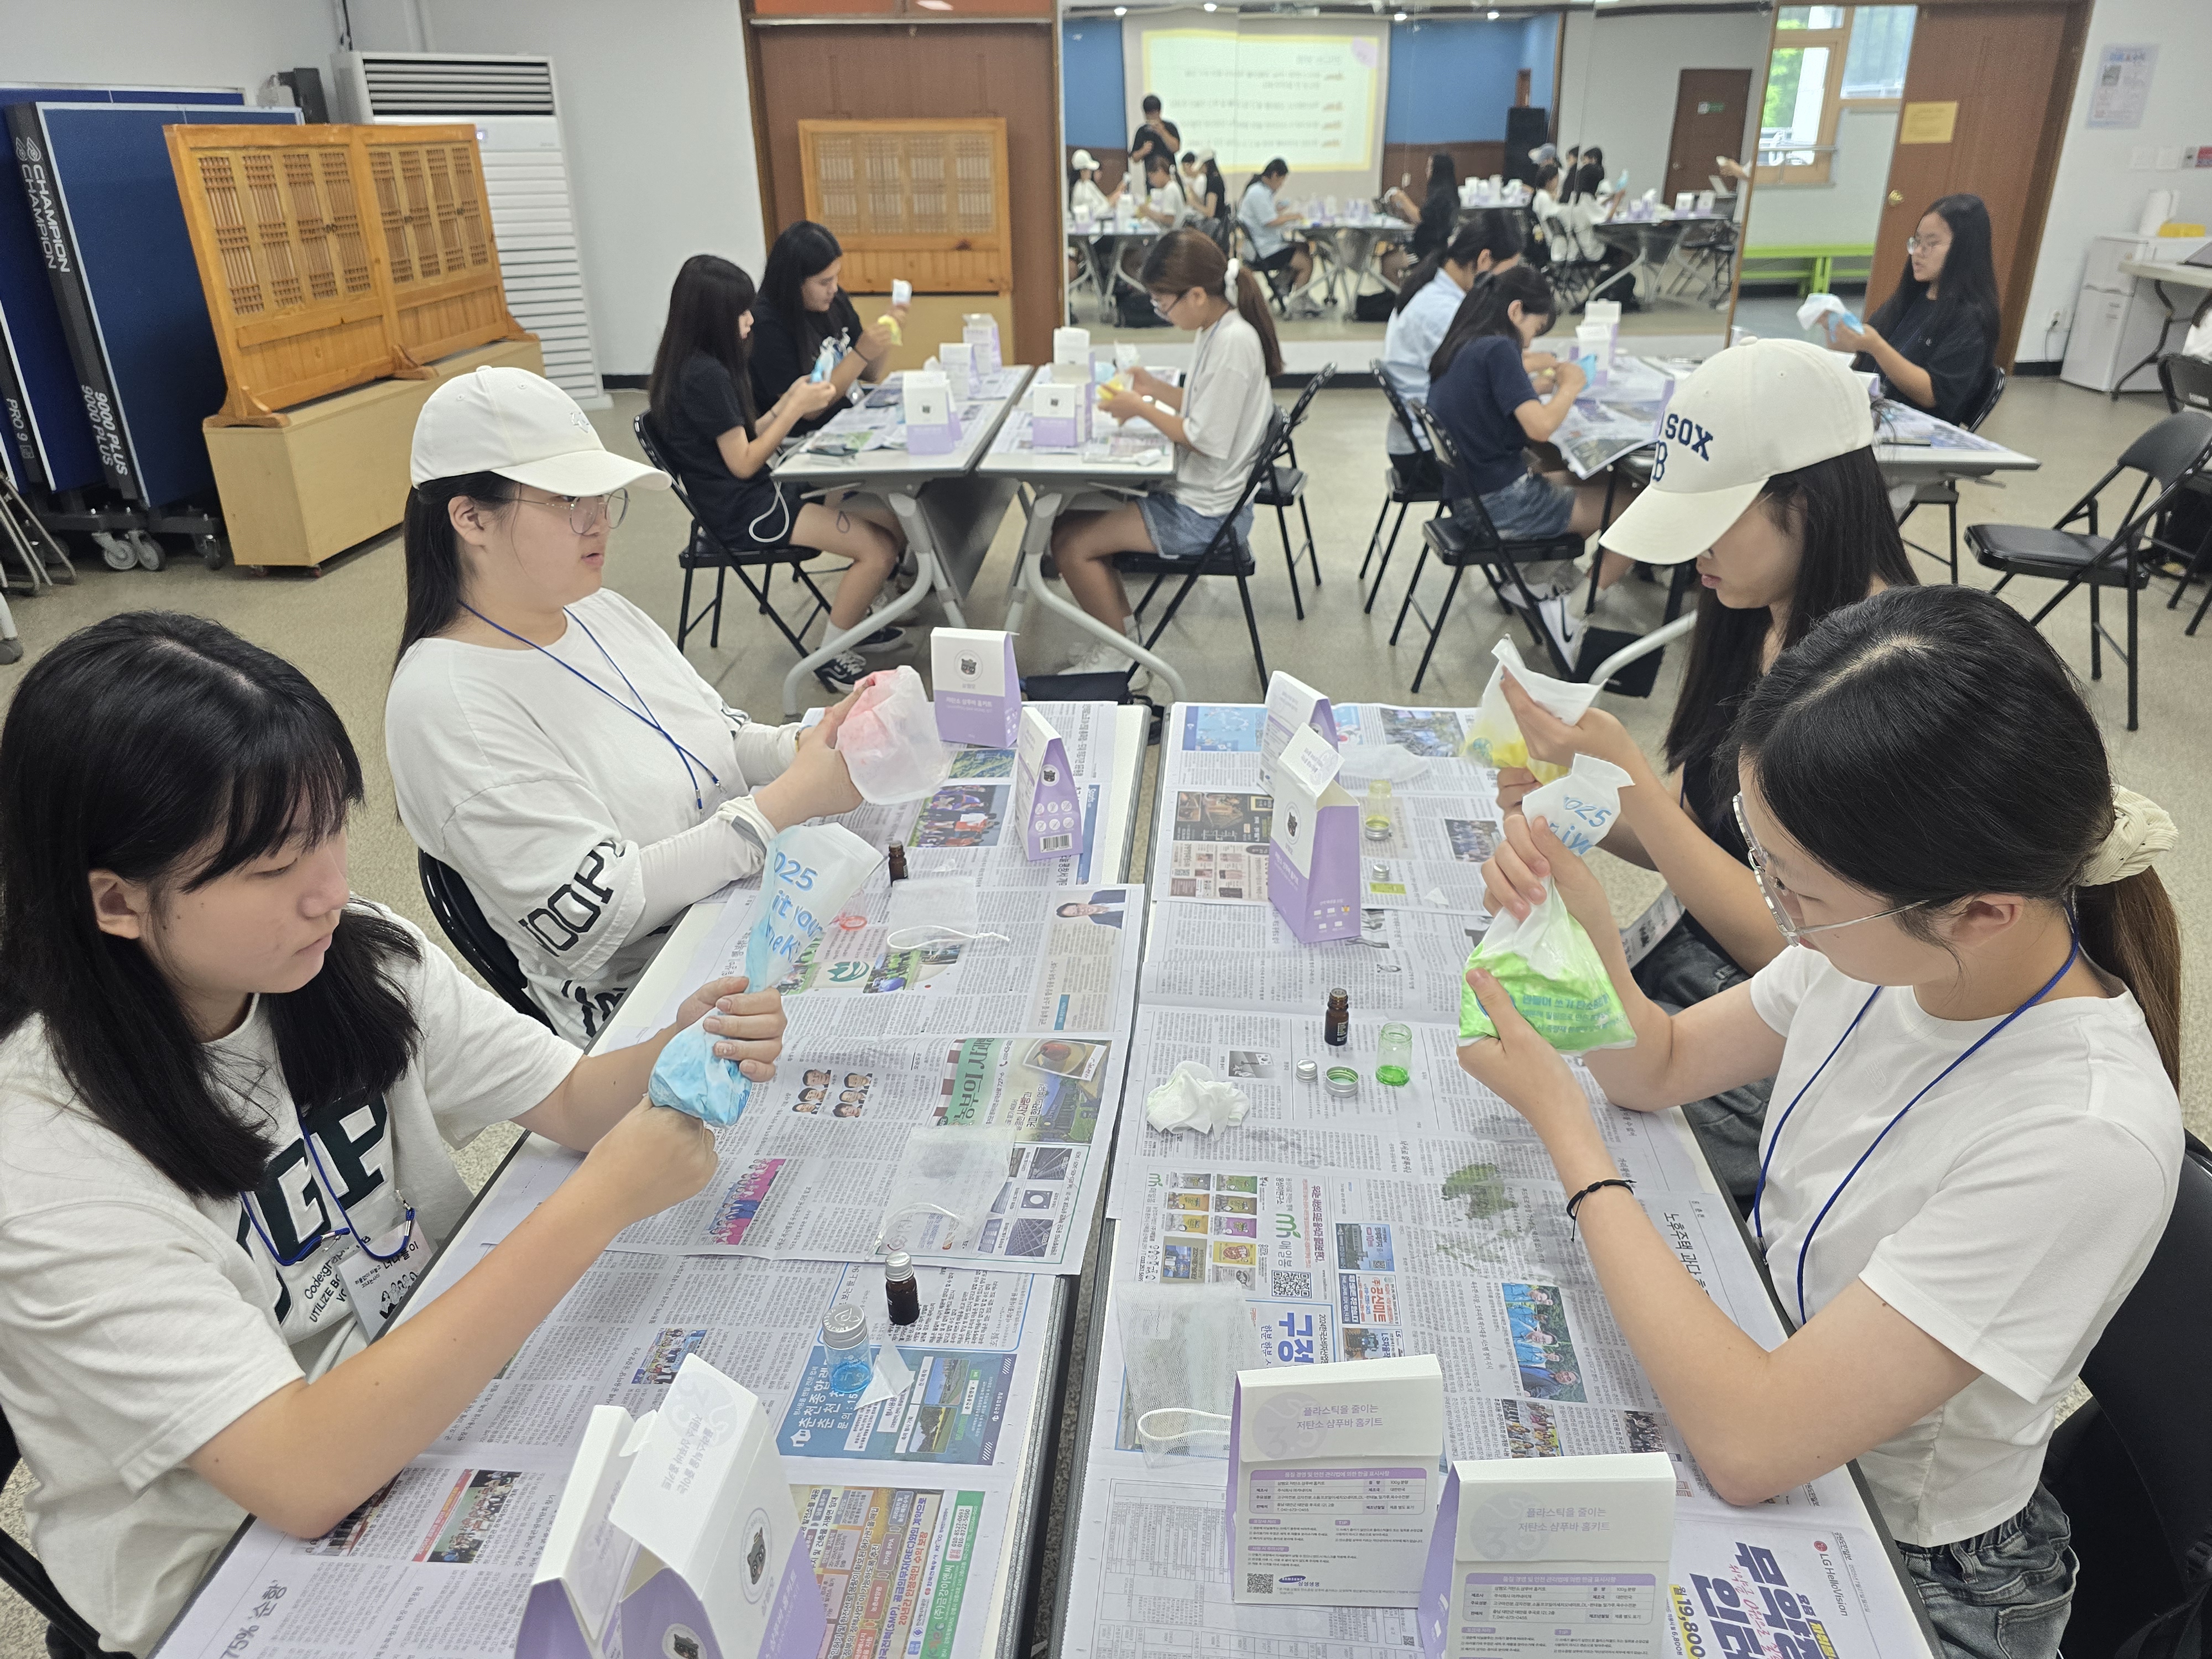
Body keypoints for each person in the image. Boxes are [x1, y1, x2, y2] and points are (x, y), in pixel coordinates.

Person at [0, 612, 785, 1657]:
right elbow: (303, 1475)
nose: (330, 888)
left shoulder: (351, 959)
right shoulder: (48, 1157)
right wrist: (600, 1204)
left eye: (332, 828)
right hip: (239, 1576)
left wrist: (682, 1048)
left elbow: (569, 1100)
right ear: (116, 902)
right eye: (273, 867)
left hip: (442, 1405)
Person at [1460, 583, 2182, 1659]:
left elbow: (1751, 1444)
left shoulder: (2081, 1137)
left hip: (1912, 1566)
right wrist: (1578, 926)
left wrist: (1569, 1136)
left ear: (1978, 912)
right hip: (1779, 1387)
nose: (1775, 910)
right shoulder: (1888, 950)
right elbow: (1661, 1067)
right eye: (1765, 861)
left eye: (1794, 889)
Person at [1479, 338, 1916, 1201]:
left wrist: (1628, 779)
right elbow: (1689, 827)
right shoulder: (1757, 614)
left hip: (1791, 1044)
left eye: (1712, 522)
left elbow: (1799, 945)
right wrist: (1571, 799)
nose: (1692, 558)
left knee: (1560, 1170)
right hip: (1692, 987)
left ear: (1806, 503)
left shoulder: (1888, 685)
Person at [387, 367, 865, 1045]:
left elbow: (717, 735)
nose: (597, 523)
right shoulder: (446, 707)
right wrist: (786, 802)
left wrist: (808, 745)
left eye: (601, 497)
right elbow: (606, 908)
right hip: (651, 1007)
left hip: (749, 909)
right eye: (566, 500)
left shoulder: (595, 609)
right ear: (470, 518)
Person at [644, 254, 909, 689]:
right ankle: (832, 656)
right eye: (740, 313)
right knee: (878, 549)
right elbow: (744, 462)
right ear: (711, 319)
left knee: (889, 520)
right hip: (744, 512)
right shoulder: (705, 376)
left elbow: (746, 437)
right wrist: (794, 411)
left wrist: (787, 401)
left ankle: (856, 621)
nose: (750, 320)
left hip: (751, 496)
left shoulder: (694, 365)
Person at [1049, 229, 1283, 686]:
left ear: (1197, 295)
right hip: (1204, 494)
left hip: (1207, 514)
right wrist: (1154, 389)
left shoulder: (1233, 343)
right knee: (1069, 519)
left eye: (1162, 302)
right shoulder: (1217, 328)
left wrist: (1140, 406)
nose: (1161, 311)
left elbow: (1203, 437)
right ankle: (1121, 642)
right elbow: (1204, 406)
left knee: (1070, 545)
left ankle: (1122, 660)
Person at [1423, 265, 1636, 639]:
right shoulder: (1500, 348)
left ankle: (1533, 581)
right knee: (1634, 504)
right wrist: (1569, 387)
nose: (1528, 345)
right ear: (1516, 311)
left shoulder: (1465, 343)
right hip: (1499, 505)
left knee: (1597, 477)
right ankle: (1569, 616)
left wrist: (1540, 384)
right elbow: (1540, 428)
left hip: (1472, 498)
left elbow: (1494, 394)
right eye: (1534, 331)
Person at [1380, 211, 1530, 492]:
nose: (1504, 287)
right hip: (1429, 454)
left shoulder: (1436, 286)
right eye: (1505, 275)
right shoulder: (1443, 309)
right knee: (1529, 453)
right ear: (1484, 260)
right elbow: (1488, 373)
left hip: (1418, 440)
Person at [1828, 193, 2000, 426]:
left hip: (1913, 429)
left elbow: (1932, 394)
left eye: (1931, 244)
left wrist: (1876, 346)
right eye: (1917, 242)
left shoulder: (1971, 318)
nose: (1918, 252)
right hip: (1872, 414)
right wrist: (1839, 334)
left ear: (1965, 249)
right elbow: (1862, 353)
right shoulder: (1911, 297)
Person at [745, 221, 909, 439]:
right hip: (804, 439)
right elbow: (808, 410)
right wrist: (860, 353)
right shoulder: (766, 324)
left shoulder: (834, 301)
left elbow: (869, 373)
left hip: (851, 420)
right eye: (824, 282)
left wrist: (886, 333)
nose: (833, 288)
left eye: (836, 277)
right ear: (794, 282)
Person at [1237, 158, 1315, 304]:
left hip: (1263, 244)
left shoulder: (1260, 191)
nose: (1281, 185)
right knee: (1306, 263)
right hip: (1264, 250)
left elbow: (1264, 217)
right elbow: (1269, 221)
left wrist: (1277, 210)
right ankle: (1300, 303)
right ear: (1275, 175)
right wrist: (1293, 216)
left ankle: (1280, 284)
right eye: (1281, 181)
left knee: (1304, 247)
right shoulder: (1258, 193)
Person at [1129, 94, 1172, 171]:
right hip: (1151, 175)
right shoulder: (1142, 131)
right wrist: (1143, 151)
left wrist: (1163, 132)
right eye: (1149, 115)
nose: (1152, 117)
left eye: (1154, 114)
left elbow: (1176, 148)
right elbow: (1134, 158)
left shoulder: (1169, 127)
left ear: (1159, 112)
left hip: (1170, 173)